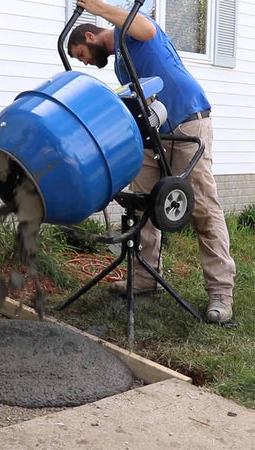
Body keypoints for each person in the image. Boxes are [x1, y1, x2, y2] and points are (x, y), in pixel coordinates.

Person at [68, 0, 236, 323]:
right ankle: (147, 276)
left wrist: (97, 6)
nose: (85, 63)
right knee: (142, 202)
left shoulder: (127, 28)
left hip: (187, 119)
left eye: (81, 56)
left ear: (89, 36)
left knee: (202, 207)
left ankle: (220, 292)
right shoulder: (119, 63)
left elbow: (147, 29)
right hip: (152, 132)